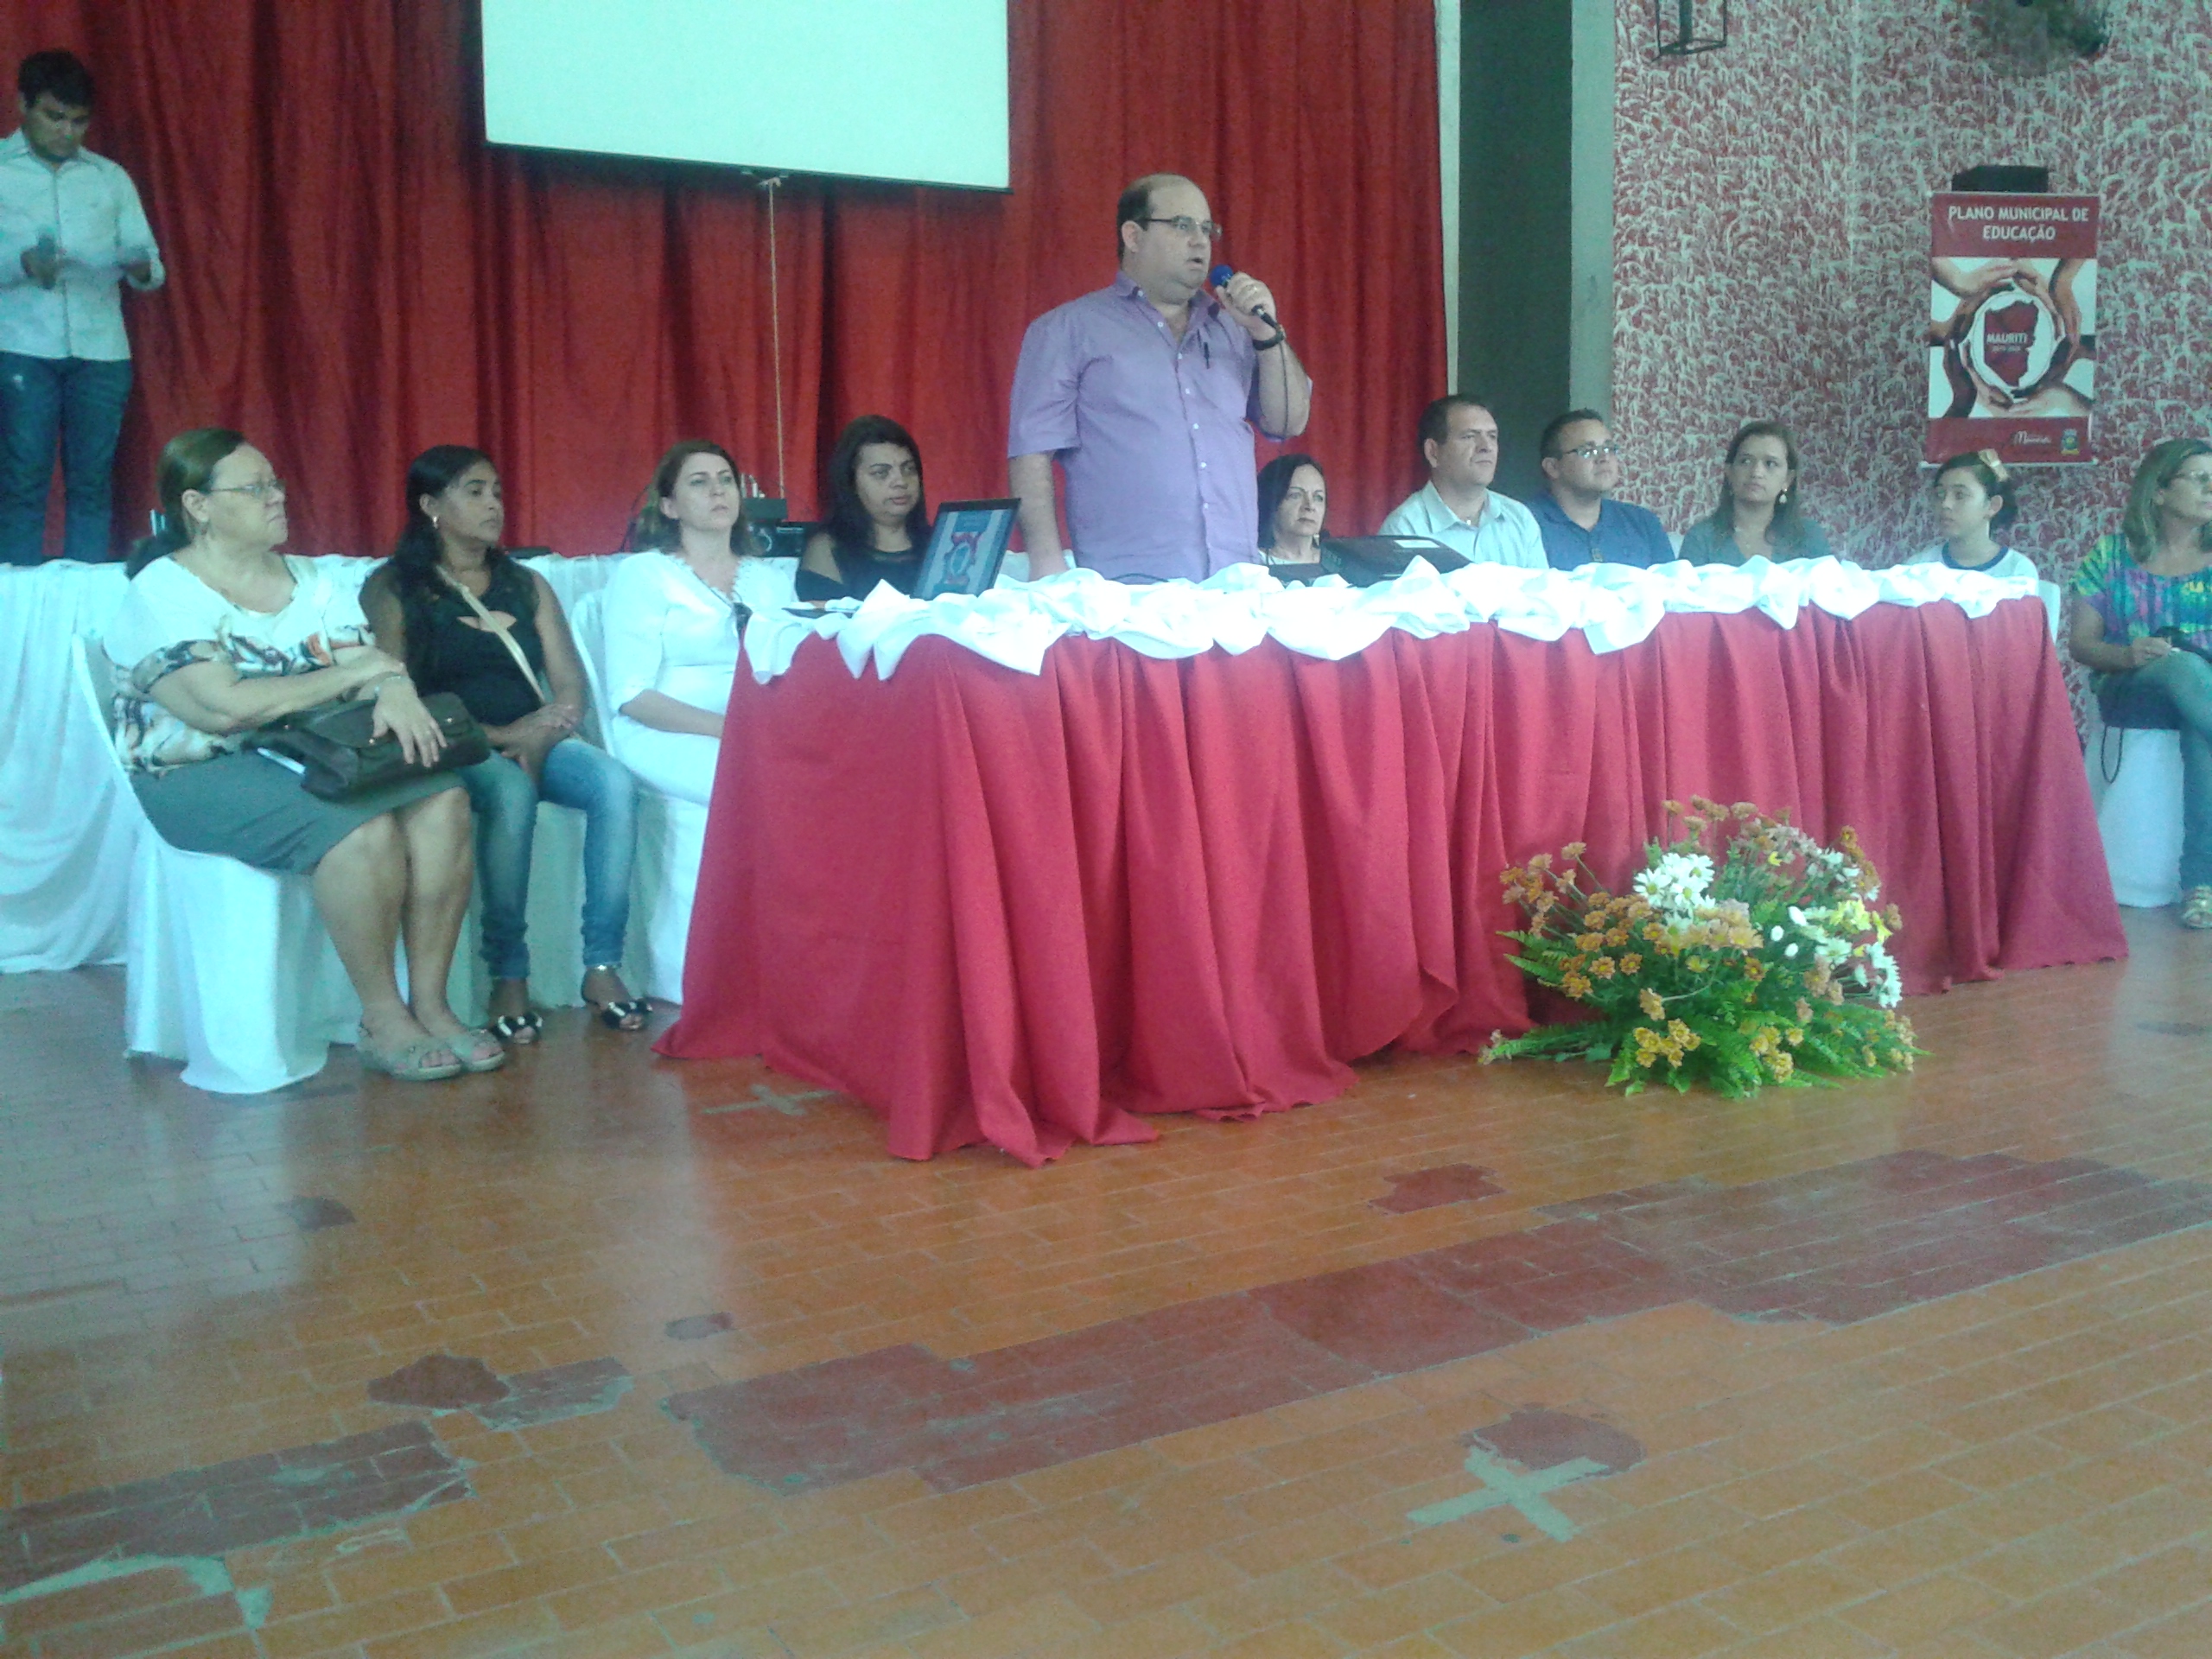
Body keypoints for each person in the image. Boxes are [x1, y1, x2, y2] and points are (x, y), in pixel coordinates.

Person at [101, 429, 496, 1081]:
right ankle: (382, 1018)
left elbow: (371, 662)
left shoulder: (311, 579)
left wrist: (393, 686)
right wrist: (354, 674)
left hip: (312, 754)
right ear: (198, 506)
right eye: (254, 488)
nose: (276, 497)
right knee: (363, 831)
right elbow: (223, 709)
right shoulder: (164, 591)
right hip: (198, 772)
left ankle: (432, 1003)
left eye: (276, 483)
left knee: (445, 800)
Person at [362, 447, 646, 1039]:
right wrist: (504, 738)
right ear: (430, 505)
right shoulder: (393, 588)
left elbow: (568, 683)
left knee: (615, 784)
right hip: (451, 741)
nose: (494, 504)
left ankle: (602, 965)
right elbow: (398, 692)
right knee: (512, 791)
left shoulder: (526, 583)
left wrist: (545, 732)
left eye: (496, 491)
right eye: (474, 492)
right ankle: (508, 974)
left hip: (536, 734)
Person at [1007, 173, 1312, 582]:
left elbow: (1288, 421)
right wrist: (1047, 565)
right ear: (1133, 236)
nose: (1200, 241)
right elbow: (1032, 453)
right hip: (1127, 589)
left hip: (1235, 583)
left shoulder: (1234, 328)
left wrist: (1265, 334)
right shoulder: (1068, 330)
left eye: (1207, 229)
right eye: (1183, 225)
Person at [0, 51, 164, 564]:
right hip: (21, 347)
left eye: (78, 120)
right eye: (54, 117)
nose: (67, 132)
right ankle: (14, 601)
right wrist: (21, 264)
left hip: (102, 352)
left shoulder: (109, 177)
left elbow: (152, 267)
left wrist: (140, 268)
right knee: (22, 483)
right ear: (23, 104)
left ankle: (84, 598)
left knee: (93, 486)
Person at [2068, 438, 2212, 929]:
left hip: (2201, 693)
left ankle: (2200, 884)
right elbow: (2082, 644)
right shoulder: (2111, 555)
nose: (2210, 487)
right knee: (2181, 668)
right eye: (2198, 477)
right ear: (2159, 490)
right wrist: (2128, 654)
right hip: (2129, 681)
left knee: (2198, 716)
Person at [604, 440, 788, 805]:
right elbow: (631, 696)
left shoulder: (773, 579)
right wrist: (730, 728)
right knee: (758, 777)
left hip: (757, 727)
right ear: (669, 506)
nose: (717, 490)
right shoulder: (643, 574)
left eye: (726, 479)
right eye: (699, 482)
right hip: (665, 732)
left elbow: (790, 674)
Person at [1376, 397, 1544, 567]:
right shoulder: (1405, 529)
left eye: (1492, 436)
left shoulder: (1520, 518)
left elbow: (1542, 585)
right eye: (1469, 436)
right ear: (1433, 452)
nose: (1487, 447)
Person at [798, 416, 930, 601]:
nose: (901, 481)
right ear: (851, 483)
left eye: (909, 469)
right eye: (881, 473)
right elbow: (824, 617)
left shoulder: (940, 544)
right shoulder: (829, 549)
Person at [1528, 410, 1675, 569]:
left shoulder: (1643, 523)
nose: (1604, 458)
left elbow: (1673, 584)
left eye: (1609, 448)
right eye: (1588, 451)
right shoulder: (1525, 524)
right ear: (1553, 467)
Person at [1679, 421, 1834, 566]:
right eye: (1746, 461)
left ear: (1788, 479)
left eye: (1770, 464)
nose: (1756, 472)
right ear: (1729, 472)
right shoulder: (1701, 538)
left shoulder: (1809, 536)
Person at [1904, 451, 2039, 582]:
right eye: (1940, 494)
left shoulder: (2017, 570)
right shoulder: (1917, 568)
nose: (1945, 504)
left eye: (1960, 495)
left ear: (1993, 505)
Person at [1255, 452, 1326, 565]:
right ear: (1272, 501)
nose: (1310, 506)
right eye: (1295, 495)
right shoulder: (1251, 564)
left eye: (1318, 497)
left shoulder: (1338, 563)